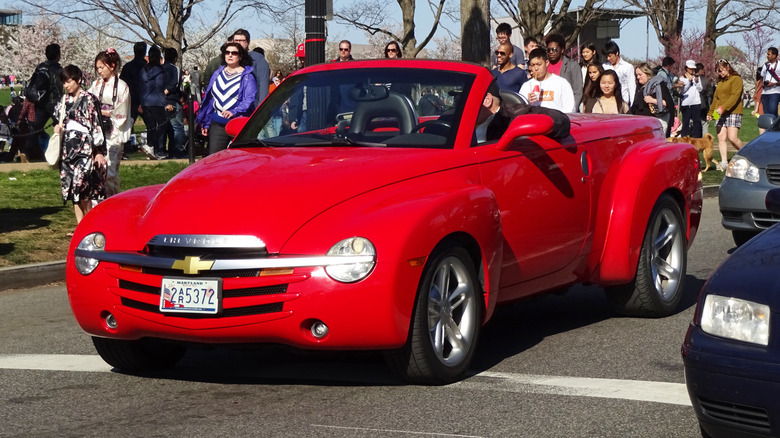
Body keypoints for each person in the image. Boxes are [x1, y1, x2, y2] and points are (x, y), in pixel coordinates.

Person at [54, 65, 107, 230]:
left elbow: (97, 126)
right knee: (72, 188)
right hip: (68, 149)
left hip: (85, 148)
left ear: (78, 80)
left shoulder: (90, 99)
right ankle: (81, 226)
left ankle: (89, 221)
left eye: (69, 81)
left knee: (82, 185)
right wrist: (58, 127)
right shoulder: (64, 101)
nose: (66, 85)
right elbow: (58, 119)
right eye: (64, 82)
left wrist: (98, 152)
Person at [196, 42, 257, 154]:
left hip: (238, 124)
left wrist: (234, 111)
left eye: (234, 53)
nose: (230, 55)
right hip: (218, 123)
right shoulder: (218, 73)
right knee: (215, 157)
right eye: (227, 52)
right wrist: (206, 122)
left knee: (238, 158)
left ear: (240, 56)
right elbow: (210, 100)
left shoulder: (247, 76)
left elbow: (249, 99)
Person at [87, 49, 131, 198]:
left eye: (102, 67)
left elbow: (122, 112)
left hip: (114, 132)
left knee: (111, 169)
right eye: (98, 68)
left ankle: (111, 198)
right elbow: (87, 102)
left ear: (112, 66)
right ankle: (99, 198)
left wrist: (104, 113)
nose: (99, 71)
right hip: (98, 130)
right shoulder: (96, 85)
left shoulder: (122, 86)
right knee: (97, 167)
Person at [26, 43, 63, 159]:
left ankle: (26, 151)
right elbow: (58, 88)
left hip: (40, 102)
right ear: (58, 55)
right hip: (53, 102)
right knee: (61, 128)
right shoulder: (58, 69)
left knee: (34, 130)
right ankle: (60, 153)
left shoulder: (40, 67)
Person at [708, 59, 745, 171]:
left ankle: (746, 154)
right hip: (720, 112)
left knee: (732, 138)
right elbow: (716, 98)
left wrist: (722, 108)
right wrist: (711, 113)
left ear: (728, 67)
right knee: (721, 137)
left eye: (721, 70)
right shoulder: (720, 82)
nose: (720, 73)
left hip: (733, 111)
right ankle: (724, 162)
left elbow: (734, 96)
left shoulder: (736, 79)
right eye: (718, 71)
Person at [519, 47, 575, 112]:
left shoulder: (561, 83)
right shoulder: (527, 86)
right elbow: (520, 110)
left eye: (539, 64)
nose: (536, 68)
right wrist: (527, 102)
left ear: (547, 63)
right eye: (533, 65)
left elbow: (569, 108)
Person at [630, 63, 675, 135]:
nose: (638, 77)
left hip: (655, 125)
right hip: (641, 125)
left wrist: (653, 100)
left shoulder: (657, 84)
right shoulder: (640, 88)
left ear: (647, 73)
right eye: (636, 75)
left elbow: (668, 103)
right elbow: (635, 106)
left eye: (640, 74)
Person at [139, 46, 167, 160]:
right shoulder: (160, 71)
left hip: (145, 101)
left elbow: (140, 85)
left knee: (150, 126)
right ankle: (154, 147)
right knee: (161, 125)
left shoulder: (143, 70)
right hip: (156, 101)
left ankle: (150, 147)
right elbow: (160, 86)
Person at [232, 29, 270, 108]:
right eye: (236, 40)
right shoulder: (229, 59)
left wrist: (260, 110)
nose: (238, 43)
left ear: (248, 42)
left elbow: (263, 85)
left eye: (241, 40)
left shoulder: (258, 59)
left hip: (252, 107)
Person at [544, 33, 583, 108]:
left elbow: (578, 92)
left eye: (554, 49)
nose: (551, 52)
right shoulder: (545, 65)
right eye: (549, 50)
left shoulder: (572, 65)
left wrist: (572, 109)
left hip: (565, 109)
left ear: (562, 50)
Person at [162, 47, 185, 158]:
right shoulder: (174, 68)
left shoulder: (159, 68)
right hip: (172, 100)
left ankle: (165, 150)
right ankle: (177, 151)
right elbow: (175, 83)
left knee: (165, 128)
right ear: (175, 58)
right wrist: (166, 92)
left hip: (161, 101)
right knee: (177, 127)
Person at [119, 42, 147, 125]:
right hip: (144, 101)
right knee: (152, 128)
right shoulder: (147, 67)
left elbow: (122, 83)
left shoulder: (127, 67)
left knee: (127, 126)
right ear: (144, 52)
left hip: (130, 100)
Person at [602, 41, 635, 106]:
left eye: (610, 56)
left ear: (616, 53)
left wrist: (632, 104)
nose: (608, 59)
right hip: (607, 102)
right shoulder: (604, 67)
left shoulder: (627, 67)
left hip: (623, 102)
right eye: (606, 57)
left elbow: (631, 87)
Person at [679, 59, 703, 138]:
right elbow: (683, 90)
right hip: (686, 103)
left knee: (697, 123)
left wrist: (696, 82)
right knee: (685, 122)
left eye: (693, 69)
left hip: (696, 102)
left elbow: (700, 89)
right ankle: (684, 138)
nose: (692, 70)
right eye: (690, 69)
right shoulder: (682, 78)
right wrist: (688, 81)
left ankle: (696, 139)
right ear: (686, 68)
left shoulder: (697, 77)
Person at [760, 47, 780, 118]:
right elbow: (762, 76)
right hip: (765, 92)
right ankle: (770, 128)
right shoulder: (765, 65)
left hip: (775, 92)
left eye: (769, 54)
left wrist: (774, 84)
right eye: (767, 54)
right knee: (767, 114)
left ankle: (776, 126)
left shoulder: (779, 65)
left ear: (774, 55)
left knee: (773, 111)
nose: (767, 56)